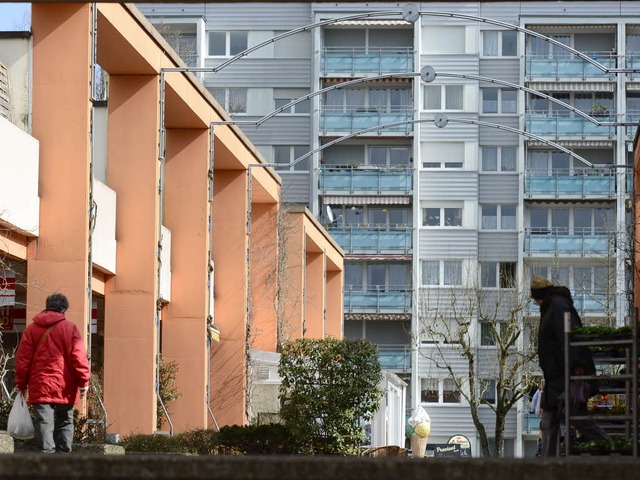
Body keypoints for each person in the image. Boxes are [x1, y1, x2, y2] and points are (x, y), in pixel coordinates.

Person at [531, 276, 610, 457]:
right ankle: (548, 467)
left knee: (576, 419)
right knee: (551, 422)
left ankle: (614, 451)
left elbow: (569, 338)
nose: (534, 302)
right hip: (557, 377)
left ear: (539, 295)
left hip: (565, 376)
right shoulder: (554, 306)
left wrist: (575, 367)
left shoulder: (557, 307)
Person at [15, 293, 90, 454]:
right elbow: (79, 357)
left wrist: (21, 384)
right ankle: (63, 457)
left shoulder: (32, 329)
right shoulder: (70, 328)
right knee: (65, 420)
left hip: (40, 384)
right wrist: (84, 382)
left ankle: (46, 457)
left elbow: (23, 360)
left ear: (47, 306)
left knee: (44, 421)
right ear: (64, 309)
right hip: (65, 385)